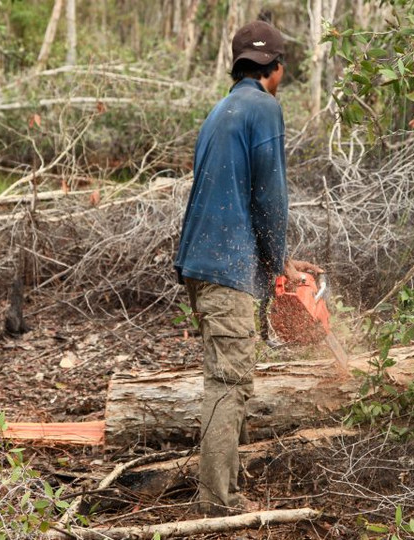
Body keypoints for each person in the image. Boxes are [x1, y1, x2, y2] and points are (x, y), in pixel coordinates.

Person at [174, 20, 322, 515]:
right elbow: (269, 197)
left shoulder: (221, 110)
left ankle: (226, 485)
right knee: (228, 380)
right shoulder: (264, 108)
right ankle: (217, 500)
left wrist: (280, 261)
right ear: (276, 69)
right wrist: (282, 264)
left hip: (201, 261)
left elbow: (231, 193)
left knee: (230, 374)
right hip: (224, 268)